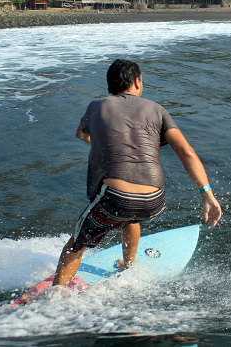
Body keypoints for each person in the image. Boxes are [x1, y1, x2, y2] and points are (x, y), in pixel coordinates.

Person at [52, 59, 222, 288]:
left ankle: (55, 296)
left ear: (110, 84)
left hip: (115, 199)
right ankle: (128, 266)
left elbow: (81, 135)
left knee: (77, 242)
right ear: (137, 81)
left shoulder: (96, 106)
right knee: (131, 217)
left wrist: (102, 141)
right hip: (153, 201)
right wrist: (207, 195)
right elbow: (186, 151)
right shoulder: (158, 110)